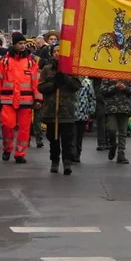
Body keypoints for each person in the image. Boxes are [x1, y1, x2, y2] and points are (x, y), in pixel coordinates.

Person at [0, 33, 42, 164]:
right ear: (14, 44)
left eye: (24, 44)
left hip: (26, 100)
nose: (23, 46)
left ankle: (20, 153)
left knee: (24, 129)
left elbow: (36, 82)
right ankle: (7, 148)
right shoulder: (4, 61)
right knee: (7, 126)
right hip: (7, 99)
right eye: (20, 43)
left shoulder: (31, 62)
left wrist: (38, 99)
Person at [38, 45, 82, 175]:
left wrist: (66, 78)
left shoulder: (71, 69)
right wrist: (54, 84)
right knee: (53, 138)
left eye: (60, 51)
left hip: (67, 110)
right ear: (52, 54)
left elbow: (76, 85)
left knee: (68, 138)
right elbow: (41, 87)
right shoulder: (46, 69)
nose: (58, 53)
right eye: (55, 51)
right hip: (52, 111)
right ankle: (54, 160)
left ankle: (67, 161)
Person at [100, 77, 131, 164]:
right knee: (111, 130)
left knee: (123, 132)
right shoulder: (107, 75)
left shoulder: (128, 74)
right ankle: (112, 145)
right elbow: (103, 90)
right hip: (111, 108)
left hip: (124, 108)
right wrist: (115, 87)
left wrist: (125, 88)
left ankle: (121, 153)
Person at [74, 76, 95, 161]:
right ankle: (72, 153)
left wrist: (91, 111)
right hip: (71, 114)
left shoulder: (87, 82)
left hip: (82, 114)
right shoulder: (70, 80)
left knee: (79, 136)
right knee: (71, 135)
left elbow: (91, 97)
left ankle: (77, 153)